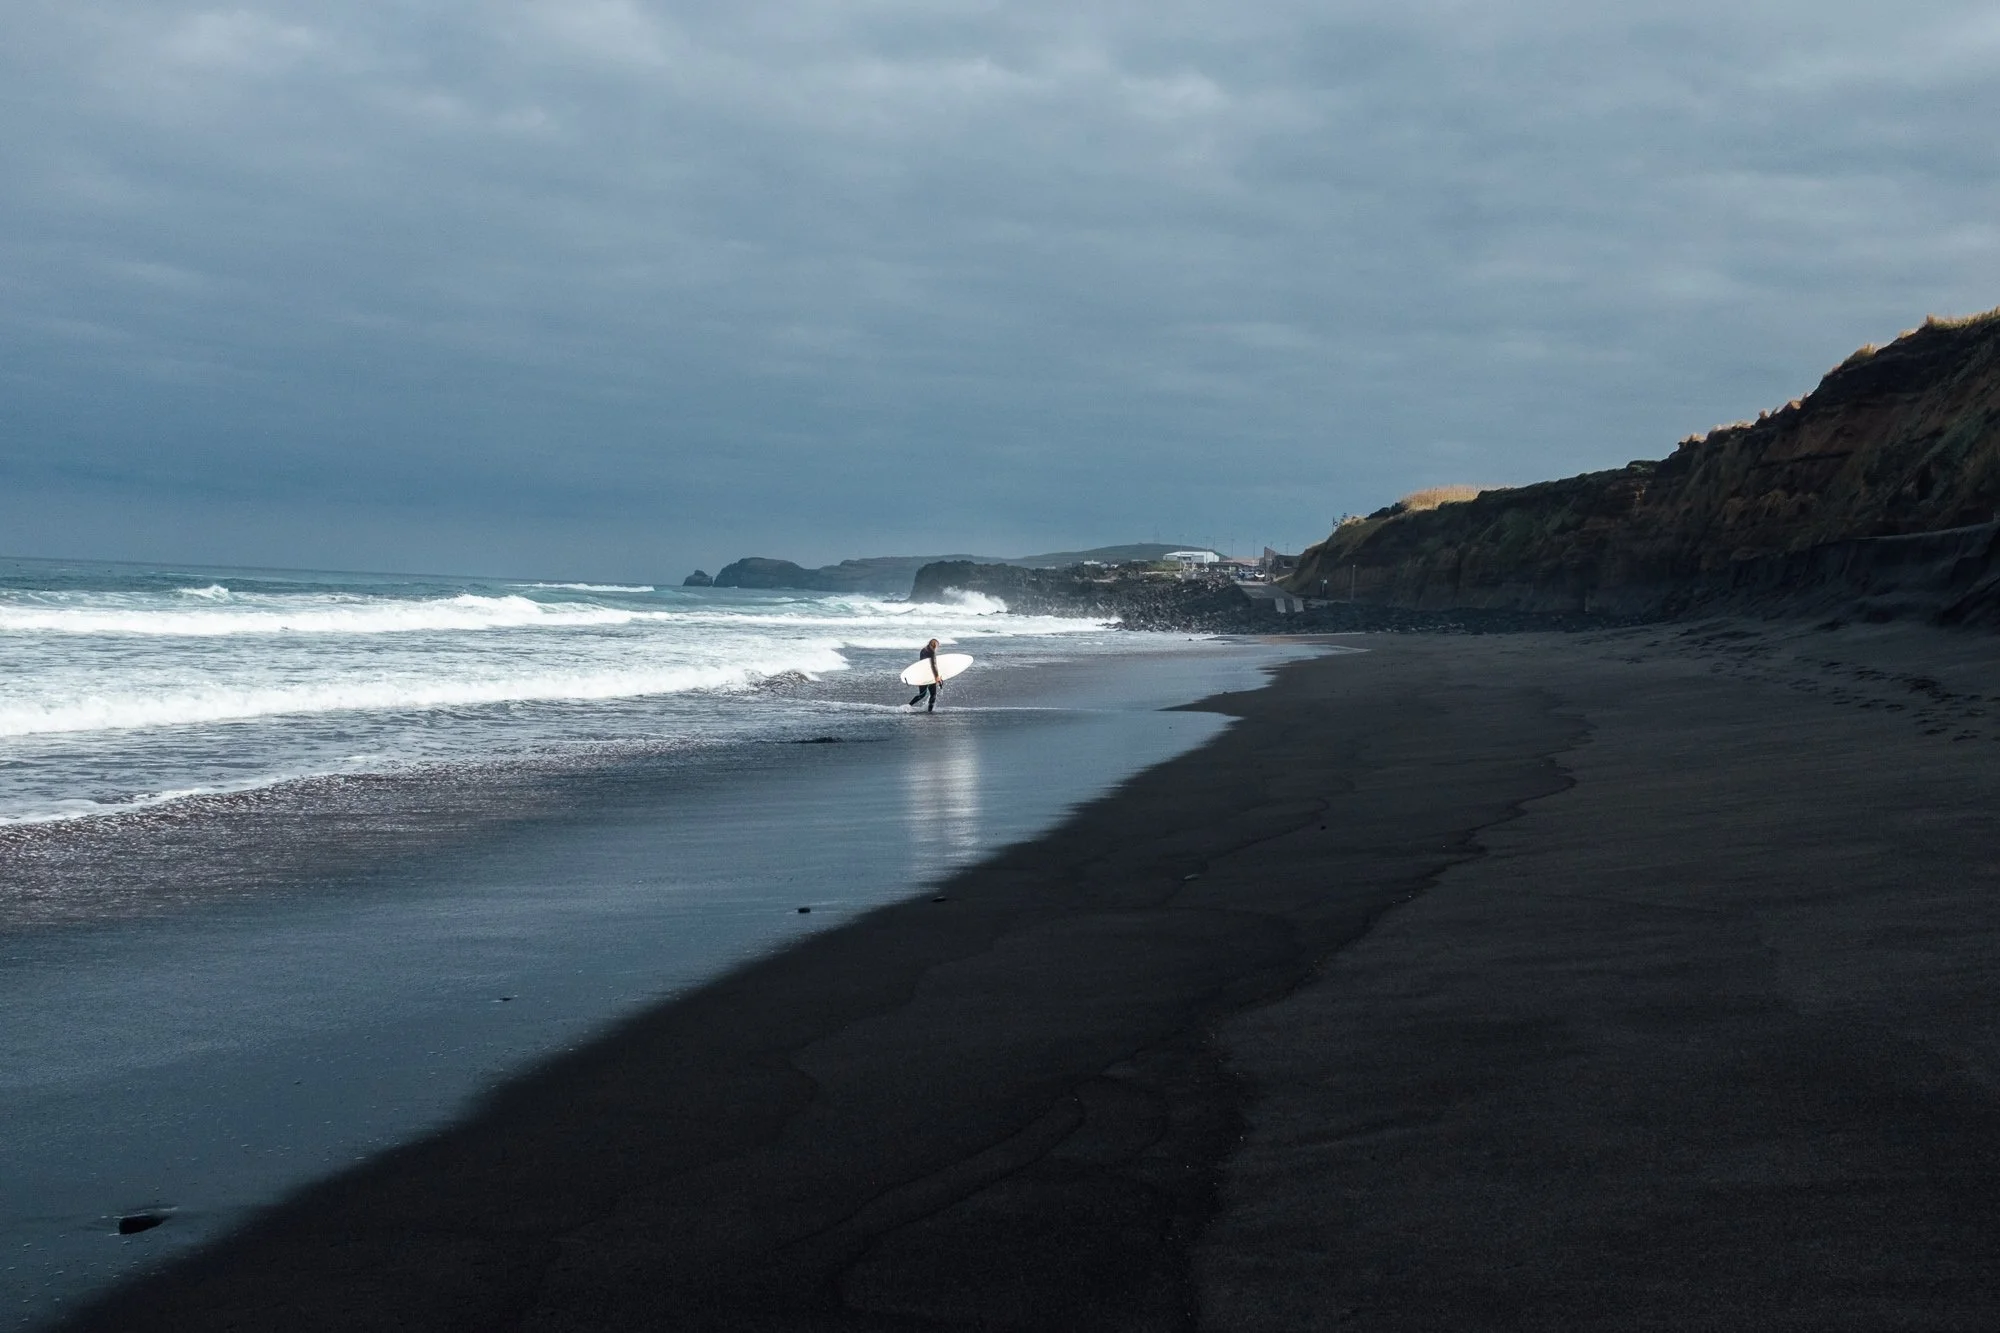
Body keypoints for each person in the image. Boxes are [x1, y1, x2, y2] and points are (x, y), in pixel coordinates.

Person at [908, 638, 943, 711]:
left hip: (922, 674)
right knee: (933, 695)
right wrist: (937, 677)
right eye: (937, 646)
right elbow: (933, 665)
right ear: (935, 645)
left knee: (922, 694)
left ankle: (908, 705)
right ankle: (930, 711)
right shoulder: (931, 651)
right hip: (929, 675)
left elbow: (922, 664)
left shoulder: (923, 650)